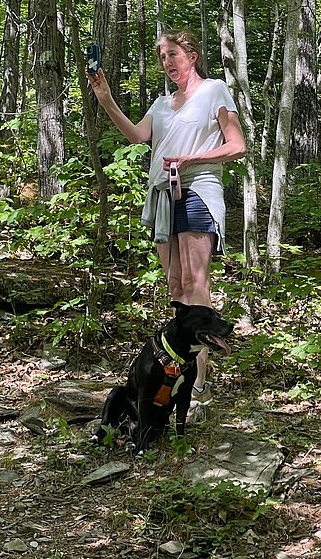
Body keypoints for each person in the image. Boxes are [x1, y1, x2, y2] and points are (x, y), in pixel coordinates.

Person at [87, 28, 246, 407]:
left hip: (197, 191)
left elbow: (237, 146)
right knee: (176, 290)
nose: (167, 62)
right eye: (162, 57)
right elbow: (137, 136)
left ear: (192, 56)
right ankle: (178, 382)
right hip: (163, 197)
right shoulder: (161, 104)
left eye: (173, 54)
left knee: (195, 286)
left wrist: (190, 159)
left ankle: (199, 387)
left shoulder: (214, 91)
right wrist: (106, 98)